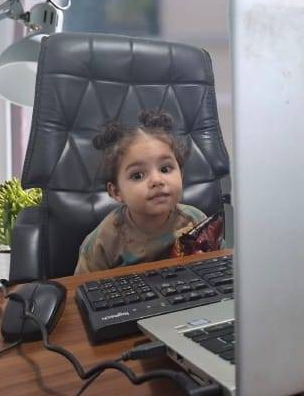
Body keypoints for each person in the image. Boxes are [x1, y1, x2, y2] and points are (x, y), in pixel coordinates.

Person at [74, 110, 209, 274]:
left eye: (165, 169)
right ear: (116, 192)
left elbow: (219, 264)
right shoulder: (103, 242)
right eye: (137, 175)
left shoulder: (196, 221)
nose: (157, 180)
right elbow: (84, 286)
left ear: (180, 174)